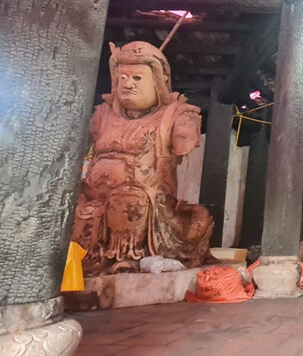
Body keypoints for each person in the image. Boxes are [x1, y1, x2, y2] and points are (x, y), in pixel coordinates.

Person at [72, 41, 212, 275]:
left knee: (129, 200)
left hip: (144, 195)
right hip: (94, 193)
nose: (128, 84)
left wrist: (185, 128)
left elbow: (184, 143)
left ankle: (127, 257)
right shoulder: (102, 114)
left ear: (157, 83)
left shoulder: (174, 114)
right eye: (123, 77)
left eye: (137, 79)